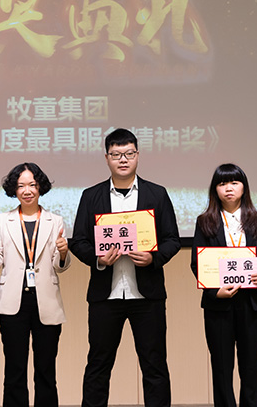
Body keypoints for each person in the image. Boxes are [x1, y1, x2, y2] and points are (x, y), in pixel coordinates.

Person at [69, 128, 180, 407]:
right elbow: (79, 241)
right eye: (116, 154)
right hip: (105, 295)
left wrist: (153, 258)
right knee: (98, 365)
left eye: (129, 153)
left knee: (154, 365)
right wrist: (99, 259)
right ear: (106, 157)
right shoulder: (91, 196)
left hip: (147, 295)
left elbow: (172, 239)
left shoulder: (157, 194)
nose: (123, 159)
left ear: (138, 155)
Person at [0, 162, 71, 407]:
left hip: (47, 302)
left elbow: (59, 265)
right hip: (13, 302)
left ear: (40, 187)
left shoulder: (55, 220)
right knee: (14, 370)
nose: (27, 190)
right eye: (21, 186)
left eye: (32, 184)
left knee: (46, 370)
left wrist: (63, 253)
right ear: (14, 189)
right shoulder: (3, 220)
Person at [190, 164, 257, 407]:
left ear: (244, 187)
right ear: (215, 190)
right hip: (219, 305)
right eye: (222, 183)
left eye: (234, 182)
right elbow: (197, 263)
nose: (228, 188)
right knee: (221, 369)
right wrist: (213, 291)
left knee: (251, 369)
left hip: (252, 304)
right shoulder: (204, 222)